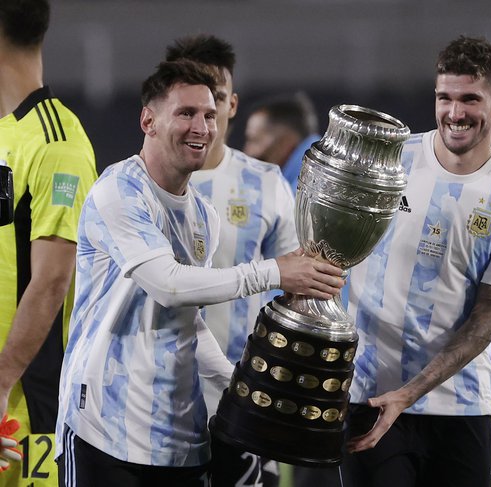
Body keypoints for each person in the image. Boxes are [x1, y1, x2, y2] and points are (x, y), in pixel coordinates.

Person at [54, 59, 344, 487]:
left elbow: (187, 322)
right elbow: (169, 286)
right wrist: (275, 272)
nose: (202, 127)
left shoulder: (204, 217)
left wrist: (241, 386)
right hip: (105, 431)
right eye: (185, 113)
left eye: (209, 115)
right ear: (148, 121)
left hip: (179, 439)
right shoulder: (119, 190)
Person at [342, 36, 491, 487]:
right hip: (370, 400)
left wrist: (410, 394)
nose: (455, 113)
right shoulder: (386, 163)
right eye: (445, 98)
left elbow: (486, 319)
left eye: (469, 99)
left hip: (460, 407)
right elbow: (330, 253)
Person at [165, 34, 298, 487]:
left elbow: (297, 290)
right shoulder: (137, 187)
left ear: (232, 103)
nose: (206, 114)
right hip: (159, 403)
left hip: (243, 399)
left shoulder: (267, 183)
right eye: (190, 101)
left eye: (216, 98)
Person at [0, 0, 97, 484]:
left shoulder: (57, 141)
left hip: (26, 405)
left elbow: (53, 277)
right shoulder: (4, 133)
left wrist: (1, 383)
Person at [243, 92, 320, 194]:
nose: (247, 151)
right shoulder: (321, 158)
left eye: (254, 140)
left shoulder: (308, 186)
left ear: (285, 142)